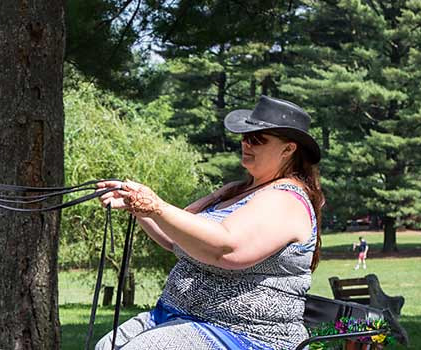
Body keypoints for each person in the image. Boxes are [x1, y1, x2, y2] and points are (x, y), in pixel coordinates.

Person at [95, 96, 323, 350]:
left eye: (258, 139)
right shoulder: (235, 190)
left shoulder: (285, 200)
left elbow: (226, 248)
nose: (246, 143)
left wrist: (155, 206)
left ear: (288, 149)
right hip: (179, 316)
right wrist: (136, 206)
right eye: (245, 136)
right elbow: (175, 237)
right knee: (107, 346)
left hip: (243, 335)